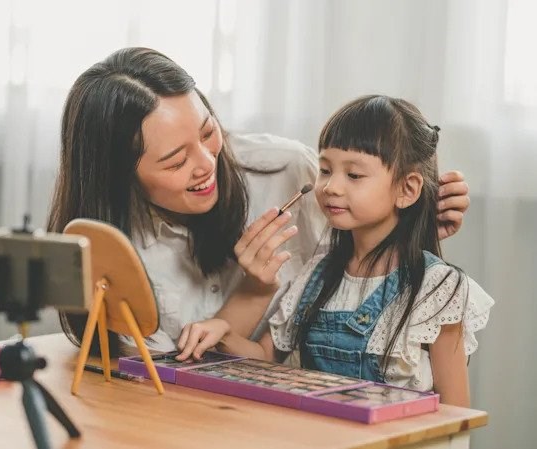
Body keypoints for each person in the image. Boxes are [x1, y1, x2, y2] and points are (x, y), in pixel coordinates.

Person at [48, 48, 470, 356]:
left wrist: (412, 227)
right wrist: (253, 292)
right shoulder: (107, 247)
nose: (206, 163)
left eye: (209, 131)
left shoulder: (290, 172)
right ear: (120, 176)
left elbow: (370, 276)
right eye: (176, 161)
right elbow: (171, 377)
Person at [176, 95, 494, 407]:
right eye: (325, 170)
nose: (331, 187)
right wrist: (223, 333)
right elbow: (264, 358)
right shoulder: (316, 274)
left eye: (354, 175)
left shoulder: (438, 289)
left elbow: (456, 413)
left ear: (407, 189)